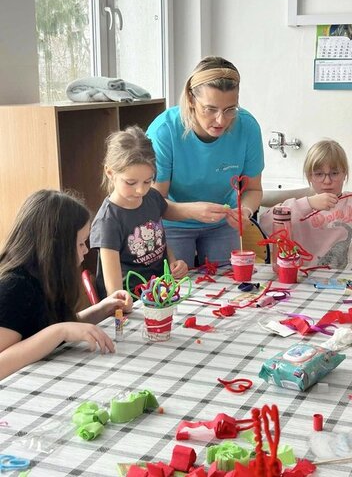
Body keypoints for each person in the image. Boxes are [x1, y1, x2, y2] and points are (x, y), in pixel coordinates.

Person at [0, 190, 133, 381]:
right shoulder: (13, 287)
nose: (86, 250)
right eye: (80, 244)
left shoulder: (47, 276)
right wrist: (60, 331)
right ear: (56, 246)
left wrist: (103, 309)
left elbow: (57, 327)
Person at [146, 56, 264, 267]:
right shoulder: (164, 131)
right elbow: (154, 202)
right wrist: (192, 211)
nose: (221, 120)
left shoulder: (247, 127)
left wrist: (244, 211)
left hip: (223, 224)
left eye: (230, 109)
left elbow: (253, 190)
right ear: (191, 99)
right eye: (210, 109)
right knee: (177, 284)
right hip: (173, 223)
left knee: (228, 282)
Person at [259, 139, 352, 272]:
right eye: (319, 174)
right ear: (309, 176)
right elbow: (266, 223)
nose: (327, 181)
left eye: (334, 173)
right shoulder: (301, 208)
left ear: (344, 174)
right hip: (312, 284)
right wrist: (309, 203)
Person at [90, 126, 189, 299]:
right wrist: (124, 303)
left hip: (162, 291)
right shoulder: (108, 221)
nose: (140, 190)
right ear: (110, 172)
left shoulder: (152, 197)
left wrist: (174, 264)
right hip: (132, 300)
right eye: (131, 182)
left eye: (147, 181)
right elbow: (115, 292)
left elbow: (159, 240)